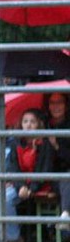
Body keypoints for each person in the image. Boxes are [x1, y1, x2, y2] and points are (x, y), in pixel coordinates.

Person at [0, 108, 53, 242]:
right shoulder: (16, 143)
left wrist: (31, 188)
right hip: (20, 183)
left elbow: (44, 170)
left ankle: (13, 238)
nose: (28, 125)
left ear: (39, 124)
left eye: (32, 122)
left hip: (38, 184)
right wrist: (21, 186)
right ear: (21, 124)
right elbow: (13, 167)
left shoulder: (45, 144)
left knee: (5, 201)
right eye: (25, 121)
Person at [43, 92, 70, 228]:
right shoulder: (43, 125)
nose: (56, 106)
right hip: (51, 176)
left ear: (66, 105)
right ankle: (65, 216)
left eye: (59, 102)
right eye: (52, 103)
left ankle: (65, 216)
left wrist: (57, 146)